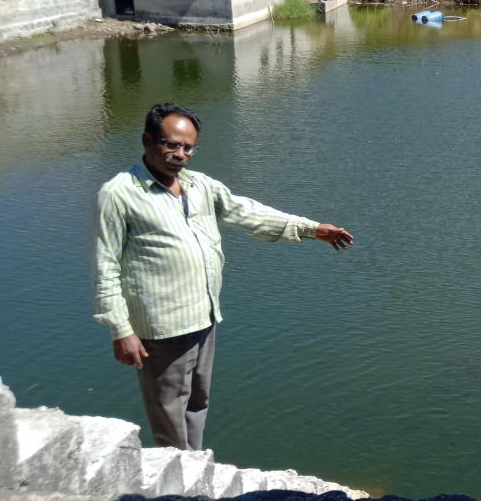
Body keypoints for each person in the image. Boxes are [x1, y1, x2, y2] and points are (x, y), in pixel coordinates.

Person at [91, 103, 354, 450]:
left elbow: (248, 213)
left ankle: (195, 466)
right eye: (171, 144)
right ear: (147, 139)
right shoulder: (119, 194)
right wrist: (121, 329)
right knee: (168, 410)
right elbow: (104, 266)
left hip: (204, 315)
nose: (180, 154)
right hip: (160, 326)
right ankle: (177, 481)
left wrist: (310, 229)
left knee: (197, 403)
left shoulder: (199, 186)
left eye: (188, 147)